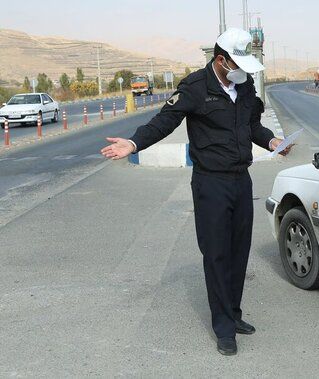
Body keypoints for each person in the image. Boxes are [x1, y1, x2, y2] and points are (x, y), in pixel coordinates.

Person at [100, 28, 291, 356]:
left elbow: (253, 126)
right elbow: (164, 122)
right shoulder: (195, 88)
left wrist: (272, 141)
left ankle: (234, 313)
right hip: (211, 182)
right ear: (221, 60)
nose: (242, 71)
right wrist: (133, 143)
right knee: (216, 253)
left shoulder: (243, 89)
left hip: (241, 181)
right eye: (238, 63)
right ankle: (223, 328)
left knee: (238, 251)